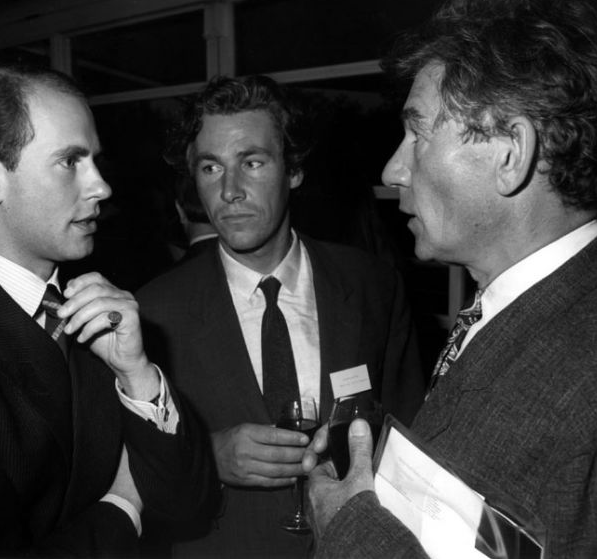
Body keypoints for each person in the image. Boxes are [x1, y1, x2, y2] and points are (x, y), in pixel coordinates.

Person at [305, 0, 597, 559]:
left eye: (417, 132)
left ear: (510, 153)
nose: (392, 170)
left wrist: (349, 526)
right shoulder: (526, 311)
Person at [0, 66, 215, 557]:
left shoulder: (100, 308)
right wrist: (123, 506)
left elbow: (187, 505)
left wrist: (137, 375)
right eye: (70, 161)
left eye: (95, 161)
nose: (101, 187)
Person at [136, 74, 425, 557]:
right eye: (210, 167)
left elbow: (410, 432)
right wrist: (207, 457)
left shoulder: (371, 284)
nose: (230, 190)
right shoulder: (154, 311)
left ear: (293, 171)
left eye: (252, 162)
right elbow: (129, 471)